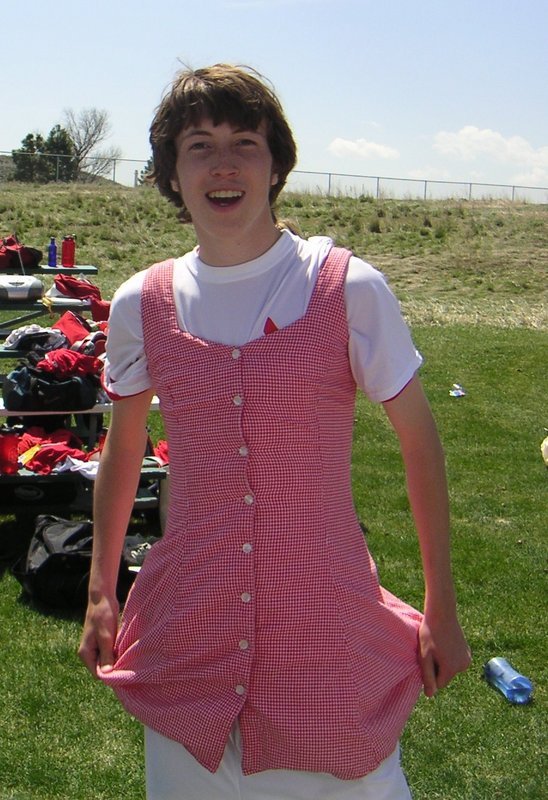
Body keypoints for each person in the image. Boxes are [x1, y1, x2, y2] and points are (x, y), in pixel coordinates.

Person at [79, 63, 471, 799]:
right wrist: (101, 590)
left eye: (245, 143)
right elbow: (123, 450)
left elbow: (420, 446)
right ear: (170, 172)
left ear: (276, 164)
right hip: (186, 627)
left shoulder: (347, 288)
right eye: (199, 145)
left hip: (322, 628)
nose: (223, 165)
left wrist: (441, 606)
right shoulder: (141, 303)